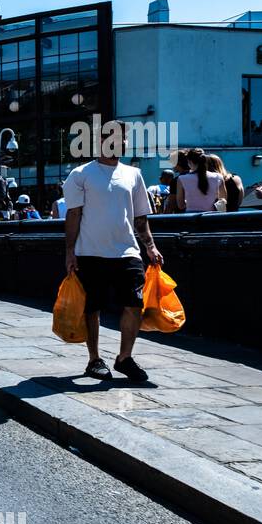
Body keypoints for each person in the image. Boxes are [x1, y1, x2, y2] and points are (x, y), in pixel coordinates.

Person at [62, 123, 162, 384]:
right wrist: (70, 252)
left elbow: (141, 217)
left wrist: (150, 247)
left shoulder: (134, 174)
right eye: (114, 137)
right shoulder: (80, 174)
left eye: (123, 138)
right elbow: (73, 215)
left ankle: (124, 358)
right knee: (92, 307)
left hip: (127, 251)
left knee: (134, 305)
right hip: (90, 252)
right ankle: (94, 359)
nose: (120, 143)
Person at [175, 148, 225, 212]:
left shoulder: (182, 179)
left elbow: (180, 205)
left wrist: (191, 201)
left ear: (189, 161)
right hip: (212, 217)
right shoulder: (218, 177)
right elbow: (223, 200)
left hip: (191, 217)